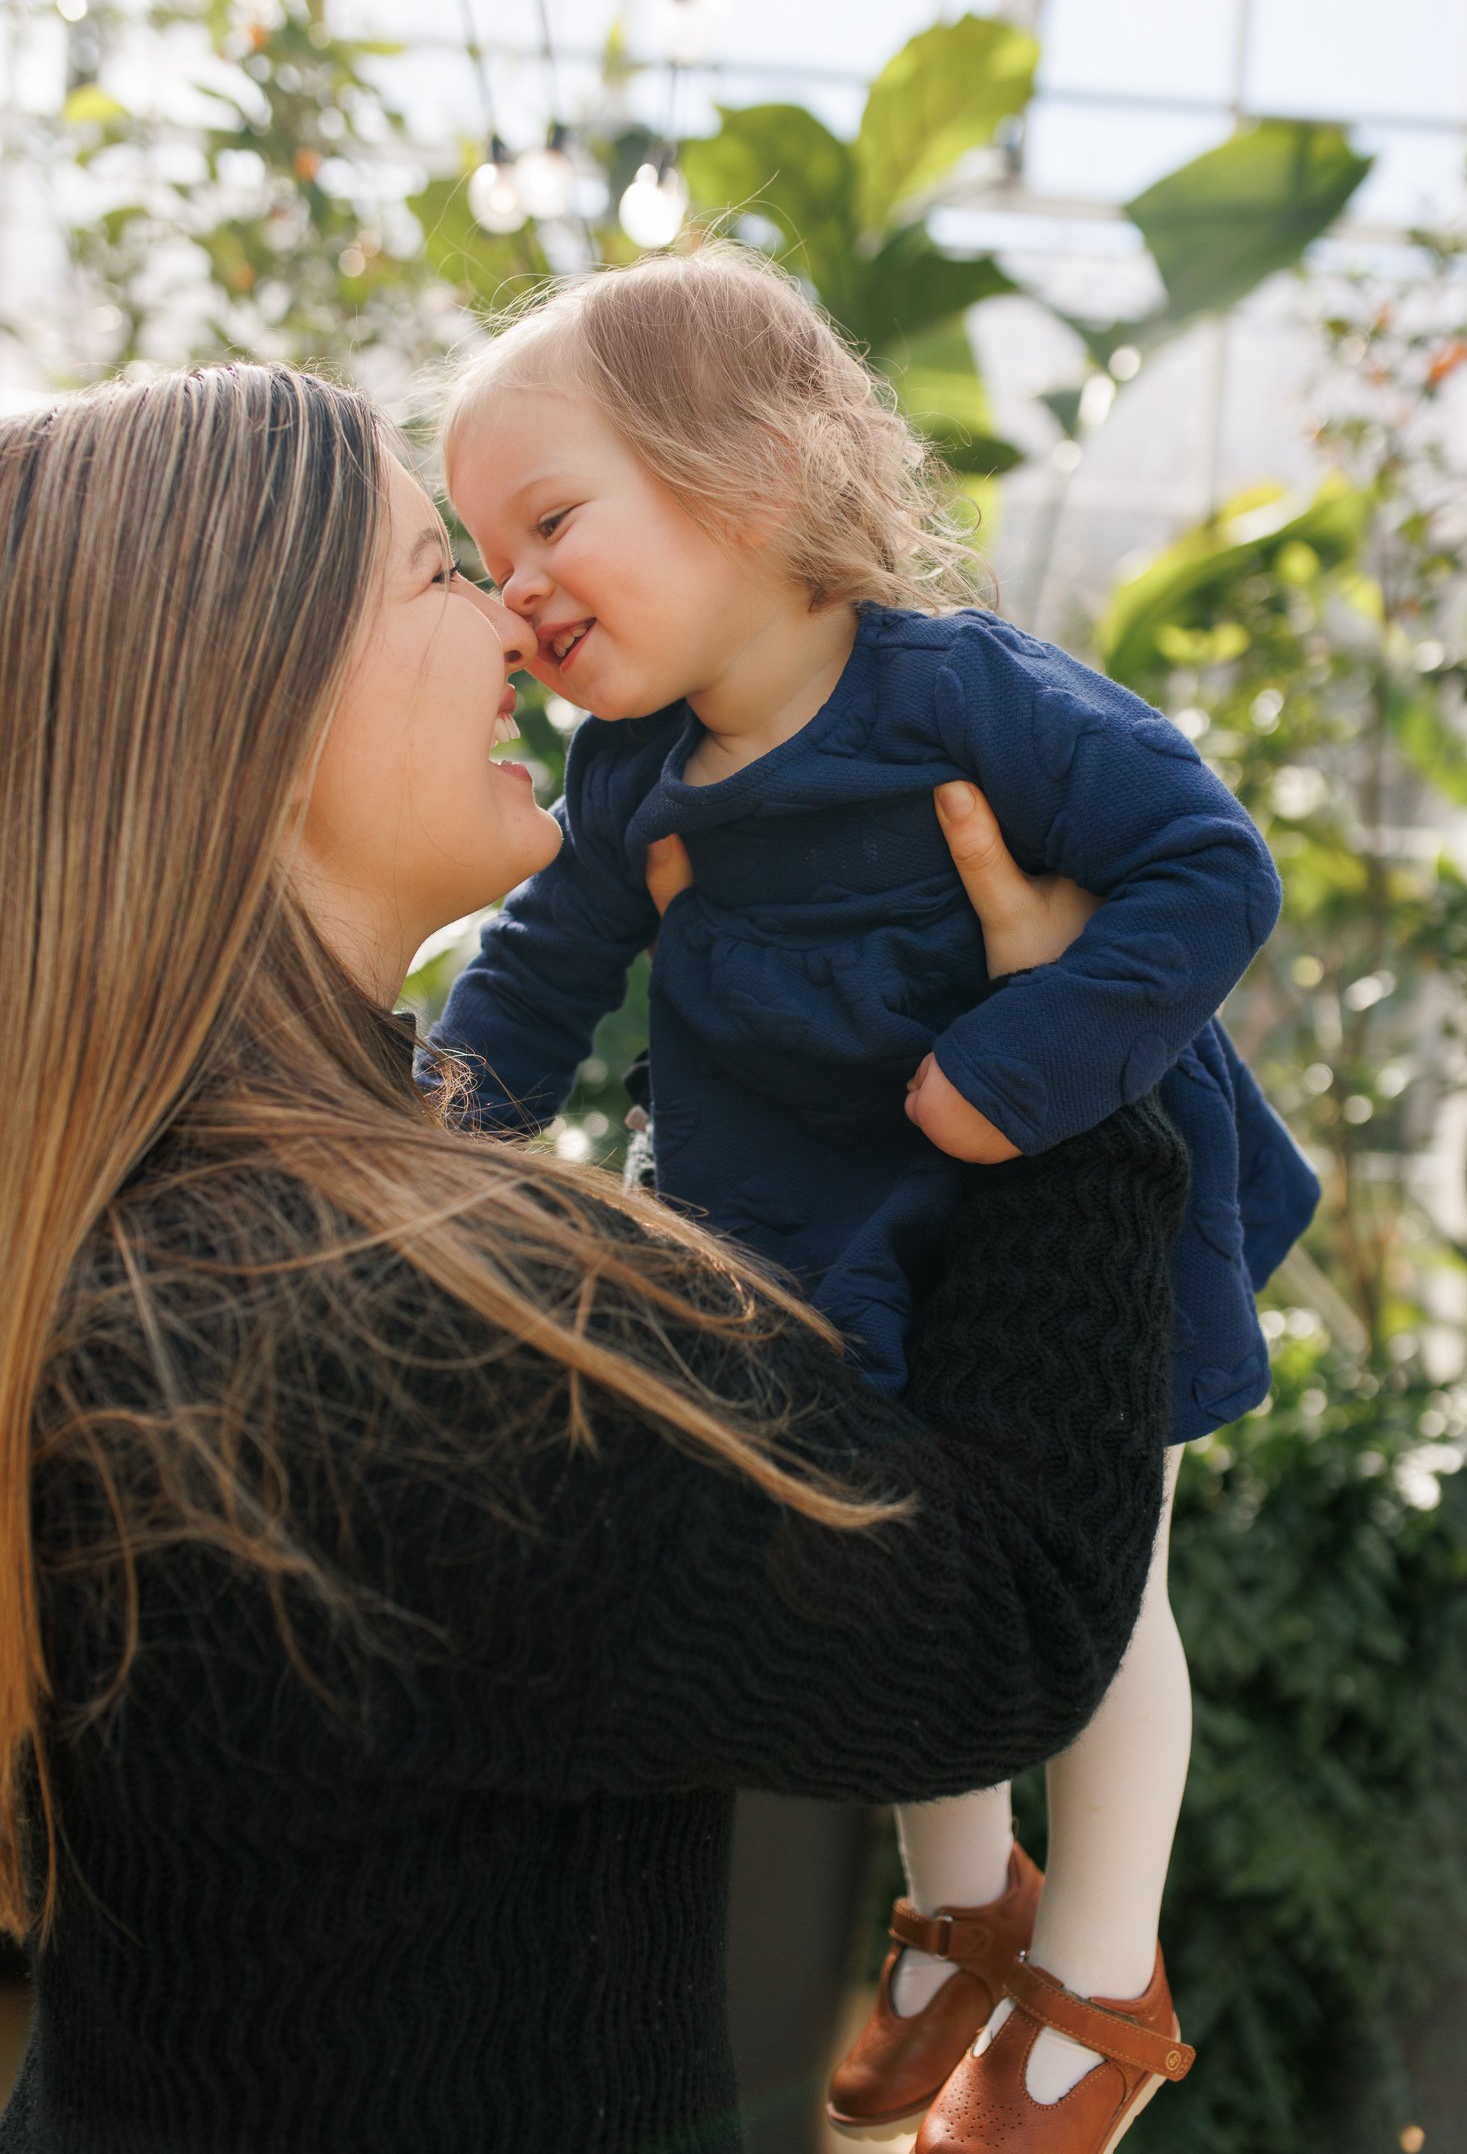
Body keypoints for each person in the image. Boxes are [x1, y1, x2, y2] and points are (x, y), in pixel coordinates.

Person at [0, 361, 1188, 2154]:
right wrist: (1063, 1063)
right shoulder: (377, 1332)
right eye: (433, 572)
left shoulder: (144, 1225)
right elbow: (998, 1633)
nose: (512, 628)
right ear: (247, 715)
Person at [429, 243, 1321, 2154]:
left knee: (1101, 1598)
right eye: (480, 548)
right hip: (831, 1251)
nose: (513, 589)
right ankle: (963, 1905)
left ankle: (1098, 1981)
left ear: (749, 476)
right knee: (909, 1573)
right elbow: (533, 972)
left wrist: (1025, 1062)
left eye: (550, 519)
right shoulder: (633, 769)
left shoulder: (964, 698)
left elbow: (1206, 870)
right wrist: (438, 1138)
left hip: (1085, 1227)